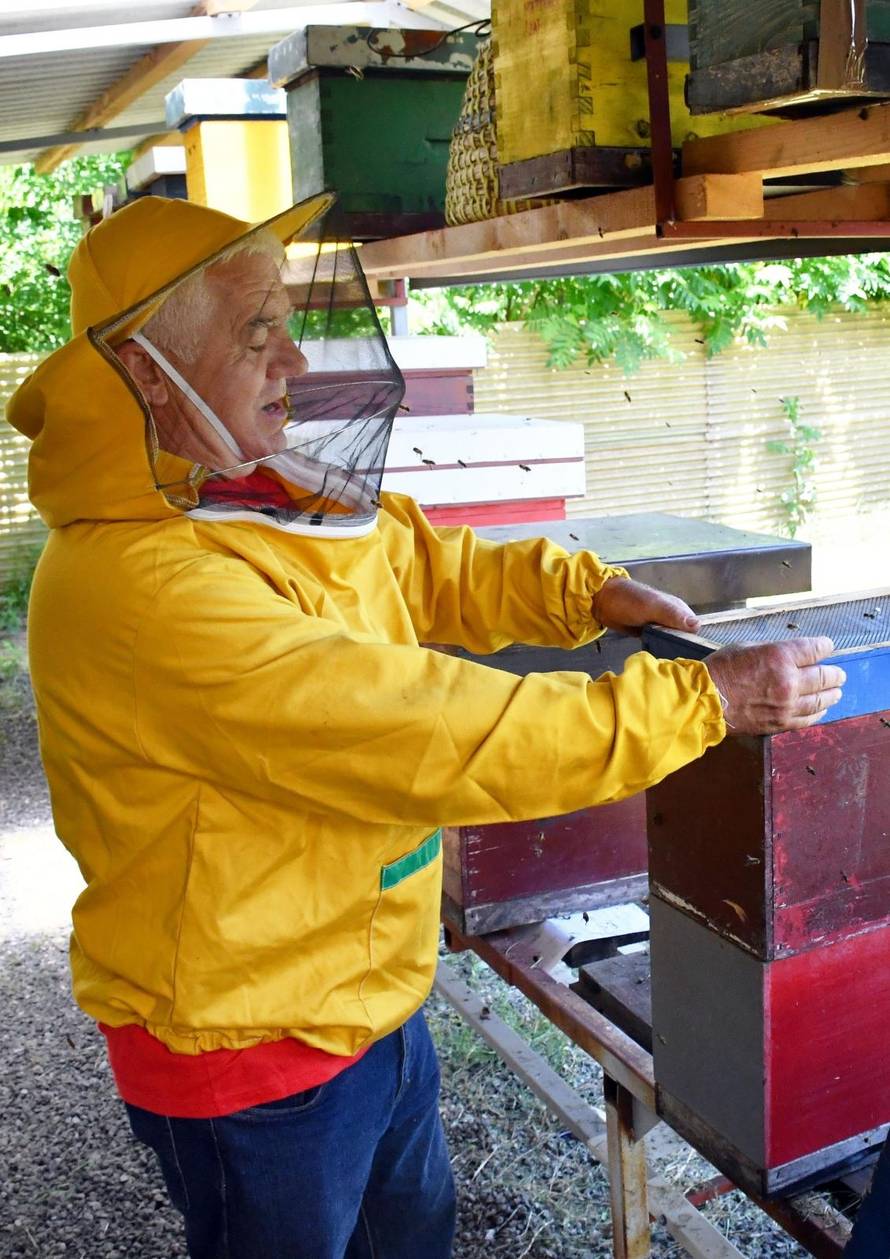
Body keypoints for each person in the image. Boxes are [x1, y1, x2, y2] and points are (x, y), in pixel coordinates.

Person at [6, 192, 845, 1259]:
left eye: (286, 323)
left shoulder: (241, 489)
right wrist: (703, 700)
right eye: (256, 332)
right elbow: (432, 732)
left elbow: (418, 559)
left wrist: (584, 592)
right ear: (144, 374)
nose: (295, 362)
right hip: (247, 1042)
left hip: (368, 994)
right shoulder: (144, 586)